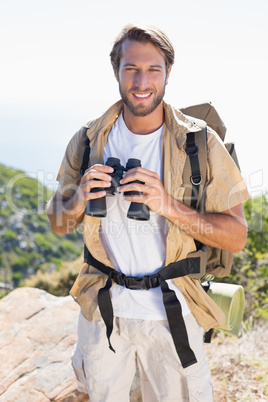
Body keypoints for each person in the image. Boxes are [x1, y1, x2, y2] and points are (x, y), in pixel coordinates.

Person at [47, 24, 250, 402]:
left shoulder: (200, 143)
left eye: (153, 69)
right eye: (131, 69)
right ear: (116, 71)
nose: (142, 81)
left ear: (168, 73)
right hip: (103, 309)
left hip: (172, 312)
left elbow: (236, 235)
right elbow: (57, 222)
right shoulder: (89, 138)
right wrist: (78, 199)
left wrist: (166, 204)